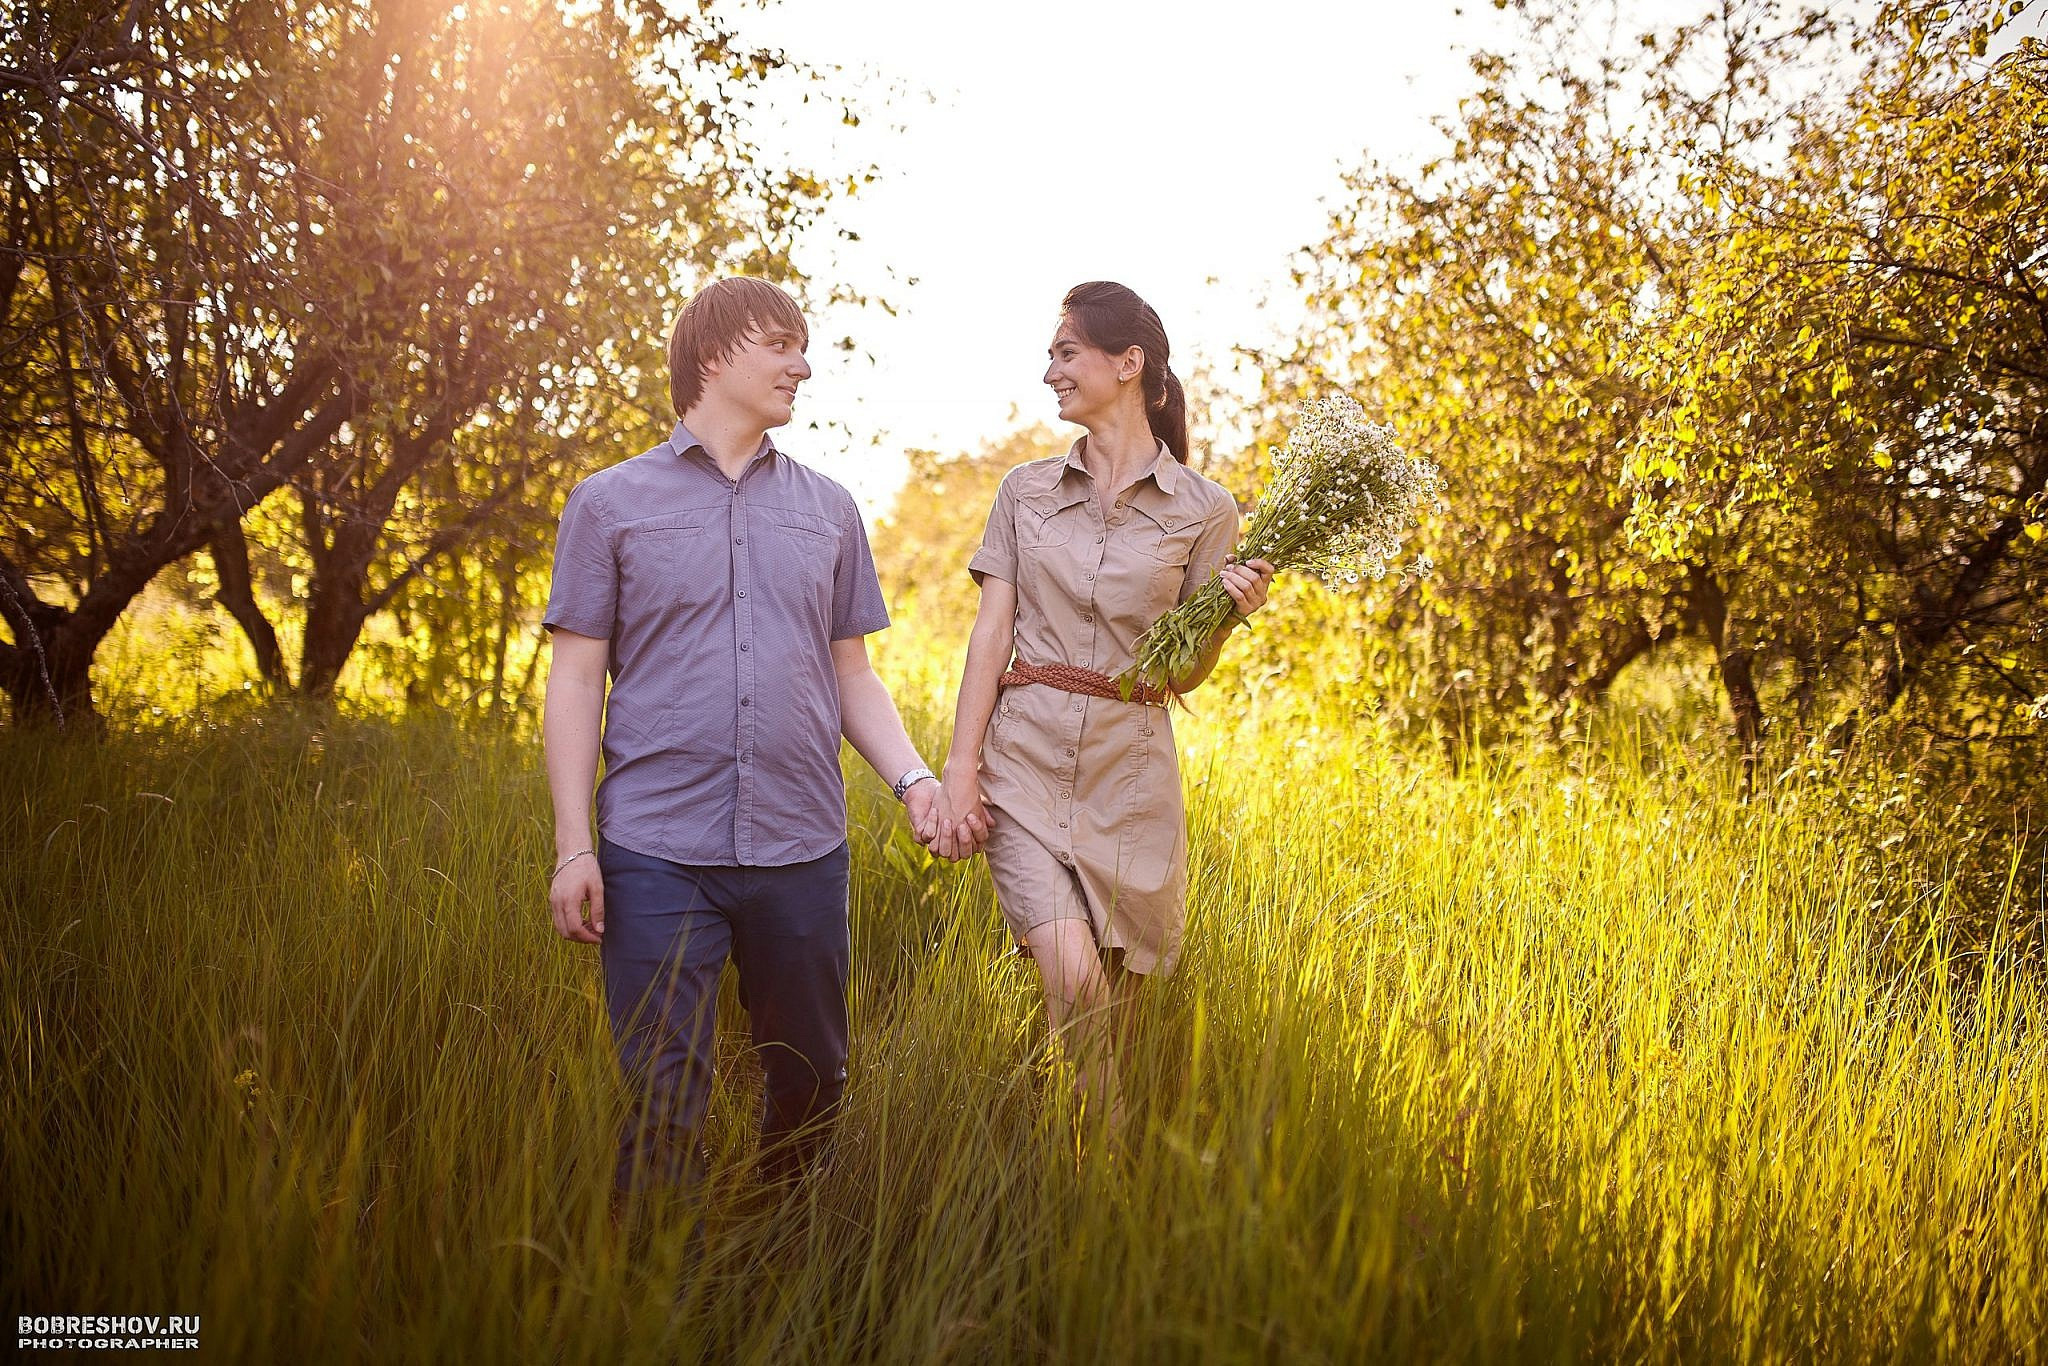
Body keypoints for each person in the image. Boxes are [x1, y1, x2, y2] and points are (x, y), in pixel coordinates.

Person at [541, 276, 945, 1203]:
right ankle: (656, 1300)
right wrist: (574, 850)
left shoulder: (829, 509)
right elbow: (573, 683)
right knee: (662, 1098)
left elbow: (853, 674)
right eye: (781, 346)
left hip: (803, 847)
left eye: (802, 349)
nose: (802, 368)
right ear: (715, 355)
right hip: (654, 851)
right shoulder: (607, 503)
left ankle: (781, 1258)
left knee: (810, 1085)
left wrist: (913, 777)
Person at [929, 281, 1274, 1125]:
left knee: (1098, 1011)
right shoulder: (1025, 492)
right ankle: (1118, 1187)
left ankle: (1073, 1189)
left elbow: (1182, 673)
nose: (1050, 371)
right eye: (1052, 354)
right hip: (1025, 767)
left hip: (1131, 780)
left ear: (1129, 363)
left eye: (1065, 352)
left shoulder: (1206, 509)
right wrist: (960, 768)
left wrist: (1228, 614)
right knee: (1074, 979)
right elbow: (990, 634)